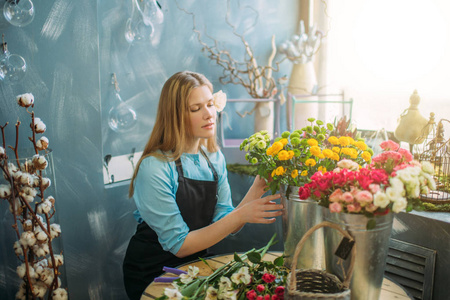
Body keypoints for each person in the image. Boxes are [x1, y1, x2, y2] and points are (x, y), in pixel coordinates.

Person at [122, 71, 283, 300]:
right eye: (196, 109)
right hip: (153, 273)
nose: (209, 114)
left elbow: (224, 221)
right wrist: (241, 215)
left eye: (210, 104)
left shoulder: (214, 158)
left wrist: (256, 189)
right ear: (175, 115)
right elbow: (180, 245)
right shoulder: (155, 167)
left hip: (197, 267)